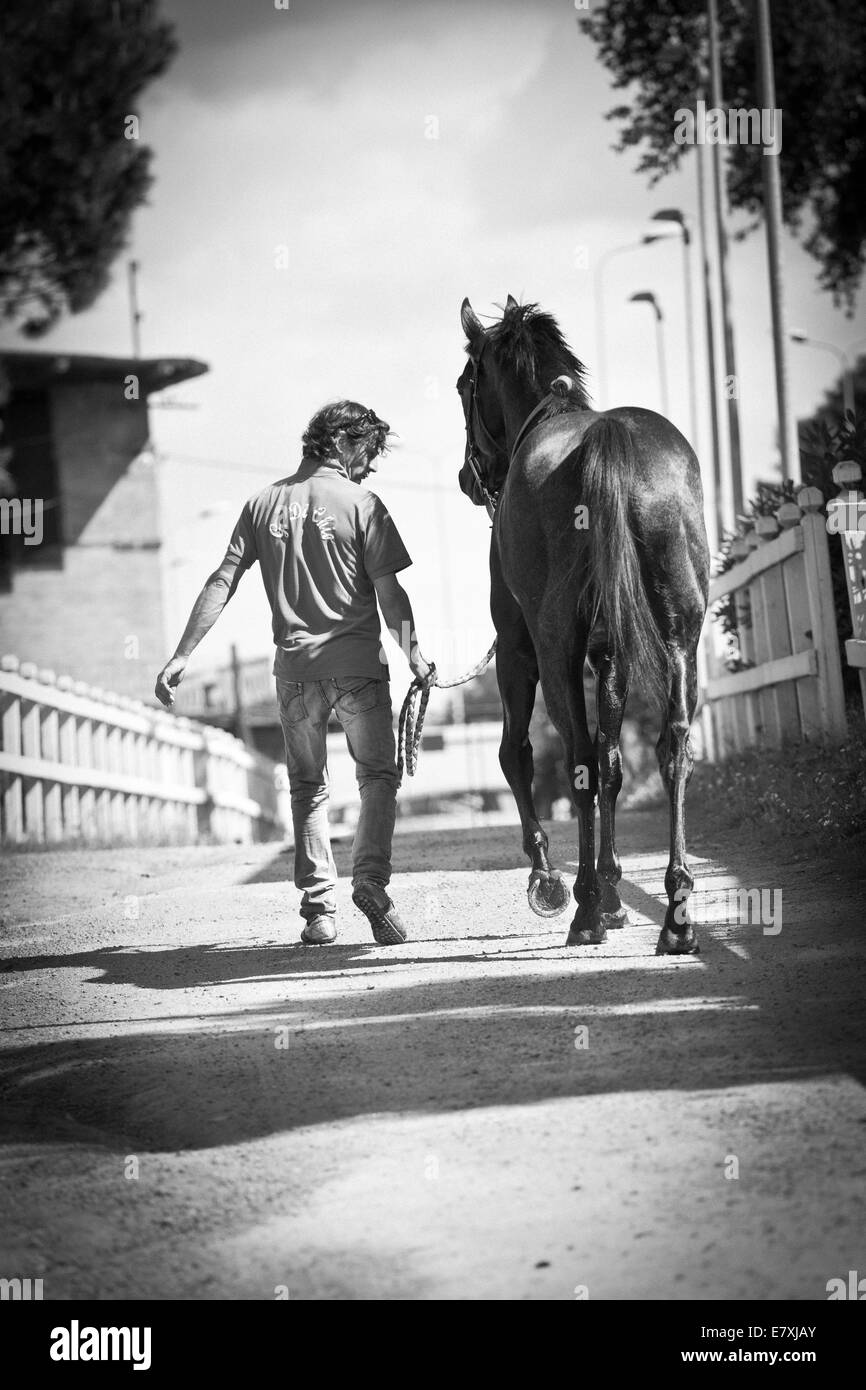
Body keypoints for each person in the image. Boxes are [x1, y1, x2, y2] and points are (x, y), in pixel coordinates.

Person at [155, 400, 432, 946]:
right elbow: (390, 592)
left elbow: (222, 580)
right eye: (366, 455)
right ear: (346, 443)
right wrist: (415, 657)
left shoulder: (263, 504)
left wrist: (182, 653)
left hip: (295, 673)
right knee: (377, 777)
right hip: (358, 668)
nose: (366, 469)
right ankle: (371, 882)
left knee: (308, 787)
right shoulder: (362, 504)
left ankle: (319, 910)